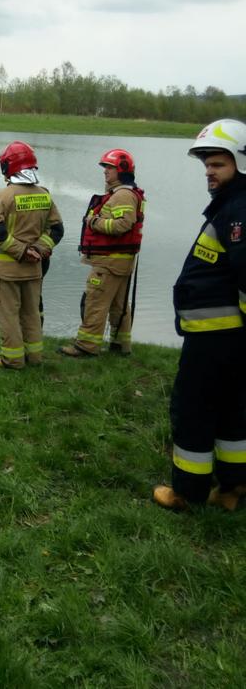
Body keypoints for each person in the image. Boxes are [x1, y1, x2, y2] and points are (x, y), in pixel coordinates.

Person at [153, 119, 246, 511]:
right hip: (228, 337)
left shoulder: (239, 212)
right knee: (233, 411)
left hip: (216, 337)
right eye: (206, 163)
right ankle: (233, 489)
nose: (208, 171)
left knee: (193, 409)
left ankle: (186, 494)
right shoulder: (233, 205)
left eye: (218, 164)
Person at [59, 148, 145, 358]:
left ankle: (86, 346)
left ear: (122, 170)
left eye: (110, 167)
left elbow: (123, 225)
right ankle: (120, 346)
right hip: (119, 262)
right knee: (119, 306)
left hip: (109, 263)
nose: (105, 171)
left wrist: (94, 222)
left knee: (95, 302)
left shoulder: (123, 195)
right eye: (105, 167)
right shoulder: (124, 193)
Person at [0, 141, 64, 369]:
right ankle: (35, 357)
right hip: (34, 269)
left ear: (9, 167)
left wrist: (22, 251)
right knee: (31, 314)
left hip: (8, 269)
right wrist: (39, 248)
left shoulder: (3, 196)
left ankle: (12, 359)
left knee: (9, 314)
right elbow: (57, 230)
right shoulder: (44, 195)